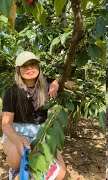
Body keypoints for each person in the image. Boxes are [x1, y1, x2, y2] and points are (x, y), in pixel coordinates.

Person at [1, 51, 66, 179]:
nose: (30, 68)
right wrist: (18, 139)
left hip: (41, 131)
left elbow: (73, 85)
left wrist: (57, 81)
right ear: (18, 70)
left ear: (38, 67)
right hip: (17, 129)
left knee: (60, 172)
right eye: (25, 65)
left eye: (33, 64)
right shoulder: (12, 91)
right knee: (17, 157)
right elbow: (6, 124)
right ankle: (15, 172)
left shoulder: (47, 86)